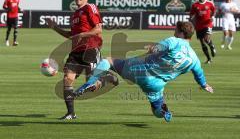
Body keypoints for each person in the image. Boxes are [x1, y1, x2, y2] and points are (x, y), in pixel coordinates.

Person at [74, 21, 214, 122]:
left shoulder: (174, 41)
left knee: (109, 61)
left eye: (176, 30)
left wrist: (153, 48)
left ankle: (92, 82)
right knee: (156, 110)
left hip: (139, 69)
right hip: (156, 84)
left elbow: (158, 48)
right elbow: (199, 73)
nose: (174, 32)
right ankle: (164, 112)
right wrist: (204, 85)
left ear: (182, 33)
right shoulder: (194, 58)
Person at [46, 0, 103, 120]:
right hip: (75, 52)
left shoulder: (90, 7)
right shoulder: (75, 15)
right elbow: (70, 35)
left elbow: (98, 29)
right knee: (67, 79)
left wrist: (82, 34)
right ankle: (71, 113)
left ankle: (107, 78)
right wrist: (54, 27)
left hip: (90, 48)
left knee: (92, 84)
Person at [190, 0, 216, 64]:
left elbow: (214, 11)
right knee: (202, 42)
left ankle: (212, 46)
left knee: (206, 39)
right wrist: (192, 19)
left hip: (207, 24)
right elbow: (191, 14)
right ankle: (209, 59)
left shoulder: (209, 3)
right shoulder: (195, 5)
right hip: (199, 25)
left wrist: (213, 17)